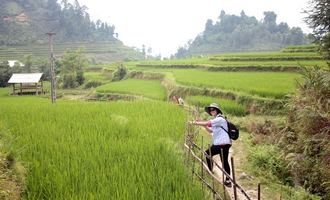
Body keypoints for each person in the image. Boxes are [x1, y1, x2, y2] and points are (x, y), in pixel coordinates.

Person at [189, 103, 232, 187]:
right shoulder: (216, 120)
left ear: (217, 110)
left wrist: (193, 123)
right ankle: (228, 181)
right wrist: (203, 125)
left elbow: (208, 123)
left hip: (222, 143)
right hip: (224, 143)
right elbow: (210, 130)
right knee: (224, 161)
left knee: (207, 153)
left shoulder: (220, 119)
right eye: (210, 110)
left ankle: (210, 172)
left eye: (213, 109)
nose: (212, 111)